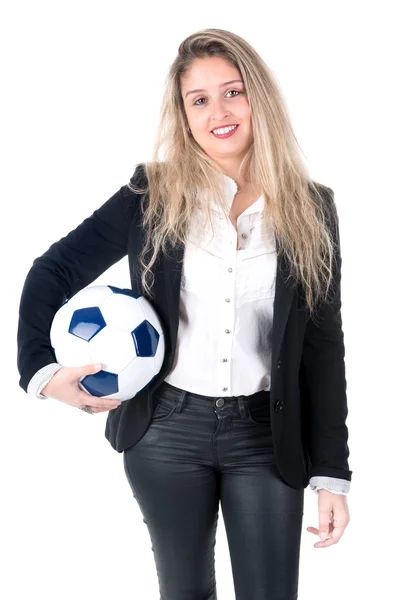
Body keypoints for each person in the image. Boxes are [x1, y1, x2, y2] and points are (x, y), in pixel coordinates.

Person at [17, 28, 352, 600]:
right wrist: (43, 375)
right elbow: (51, 271)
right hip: (164, 433)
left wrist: (332, 473)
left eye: (233, 92)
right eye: (199, 100)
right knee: (184, 592)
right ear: (183, 113)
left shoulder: (311, 207)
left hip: (266, 437)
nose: (218, 112)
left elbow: (322, 346)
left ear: (258, 99)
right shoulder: (152, 193)